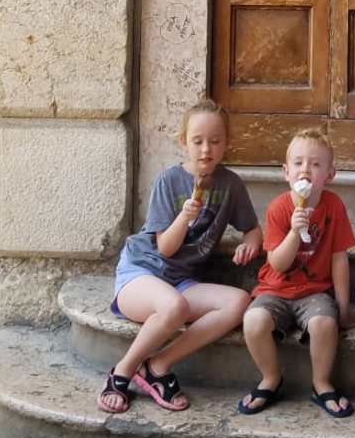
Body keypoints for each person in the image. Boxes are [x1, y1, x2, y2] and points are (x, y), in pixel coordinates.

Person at [97, 99, 263, 414]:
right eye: (198, 141)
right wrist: (184, 217)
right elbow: (165, 248)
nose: (206, 149)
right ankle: (122, 372)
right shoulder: (169, 180)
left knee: (239, 302)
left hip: (181, 281)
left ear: (227, 143)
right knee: (173, 306)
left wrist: (249, 244)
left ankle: (158, 366)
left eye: (215, 141)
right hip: (142, 273)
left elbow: (252, 229)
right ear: (184, 142)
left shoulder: (230, 185)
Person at [238, 127, 355, 419]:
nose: (305, 169)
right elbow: (278, 263)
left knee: (324, 324)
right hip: (274, 289)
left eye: (316, 164)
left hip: (314, 292)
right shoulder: (278, 208)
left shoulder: (334, 206)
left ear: (330, 175)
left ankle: (321, 383)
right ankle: (270, 378)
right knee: (253, 321)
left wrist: (343, 308)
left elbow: (339, 259)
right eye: (298, 163)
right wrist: (295, 232)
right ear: (286, 172)